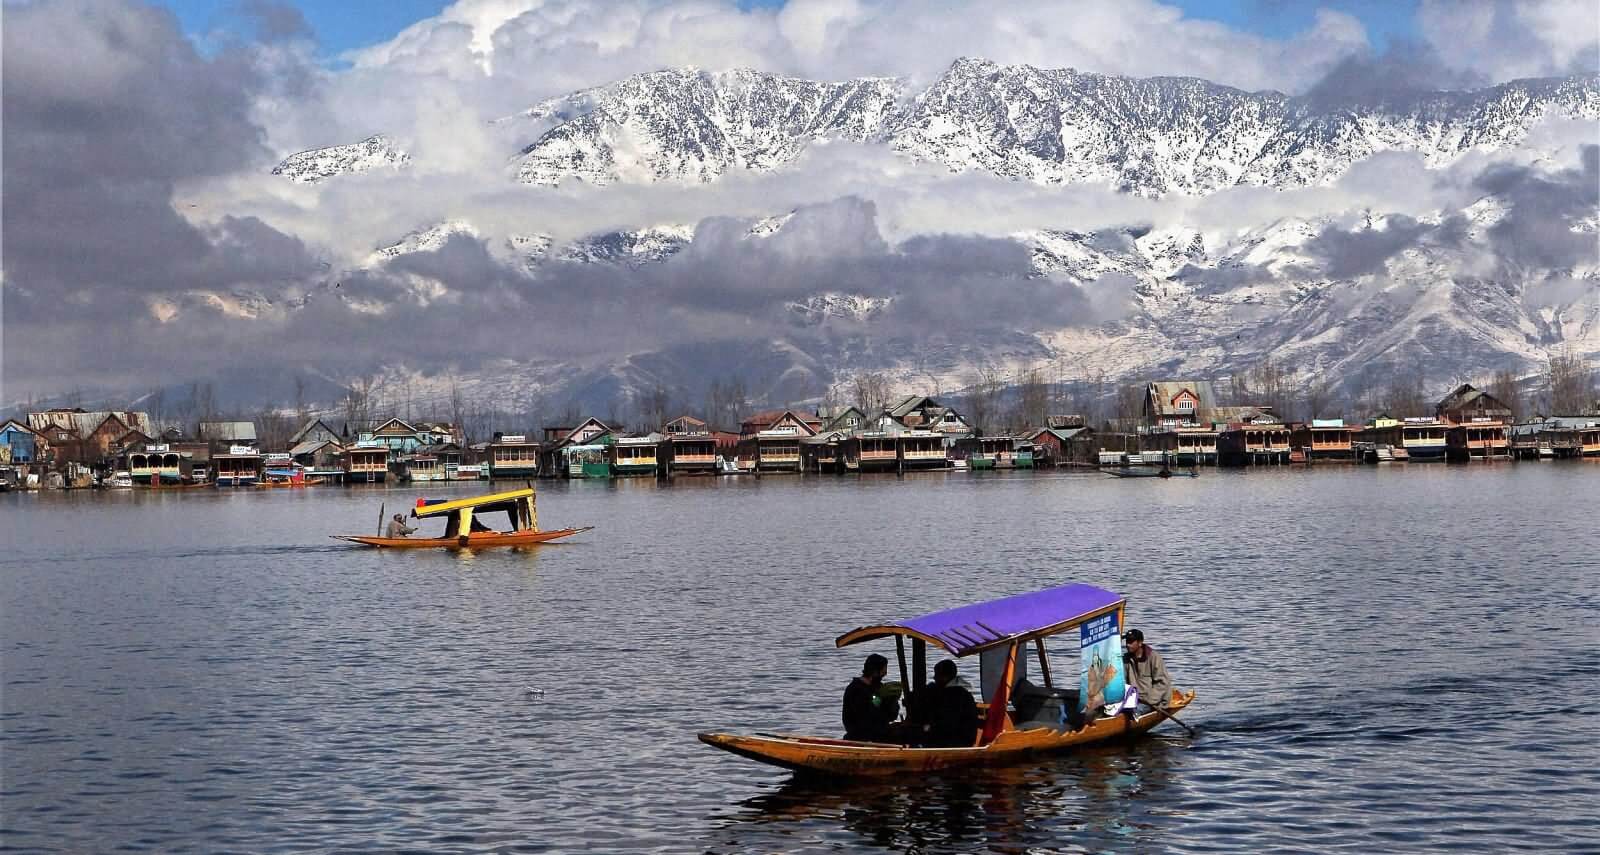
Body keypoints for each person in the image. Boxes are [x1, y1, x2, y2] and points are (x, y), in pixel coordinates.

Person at [915, 659, 979, 748]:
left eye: (936, 675)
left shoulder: (956, 695)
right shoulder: (952, 691)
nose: (934, 678)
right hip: (957, 737)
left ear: (945, 677)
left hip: (957, 740)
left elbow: (947, 723)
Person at [842, 653, 899, 742]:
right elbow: (866, 716)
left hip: (878, 731)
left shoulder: (878, 687)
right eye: (882, 673)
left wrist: (893, 700)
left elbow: (891, 715)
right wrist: (879, 698)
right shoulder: (856, 689)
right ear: (875, 672)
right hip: (861, 734)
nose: (885, 675)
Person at [1122, 629, 1174, 712]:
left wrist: (1148, 700)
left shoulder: (1154, 657)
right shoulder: (1125, 659)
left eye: (1131, 642)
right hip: (1133, 700)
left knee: (1134, 711)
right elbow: (1122, 681)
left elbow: (1162, 684)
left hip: (1153, 702)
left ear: (1140, 643)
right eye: (1127, 641)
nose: (1128, 644)